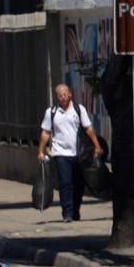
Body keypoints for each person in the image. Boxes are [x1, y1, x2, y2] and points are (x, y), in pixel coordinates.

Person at [37, 83, 103, 223]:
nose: (63, 98)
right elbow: (46, 132)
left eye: (65, 94)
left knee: (78, 184)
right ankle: (67, 212)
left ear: (70, 95)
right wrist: (41, 151)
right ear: (56, 96)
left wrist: (97, 145)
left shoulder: (79, 110)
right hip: (60, 153)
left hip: (78, 153)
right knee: (65, 183)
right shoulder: (52, 112)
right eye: (60, 95)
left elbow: (88, 129)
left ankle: (75, 211)